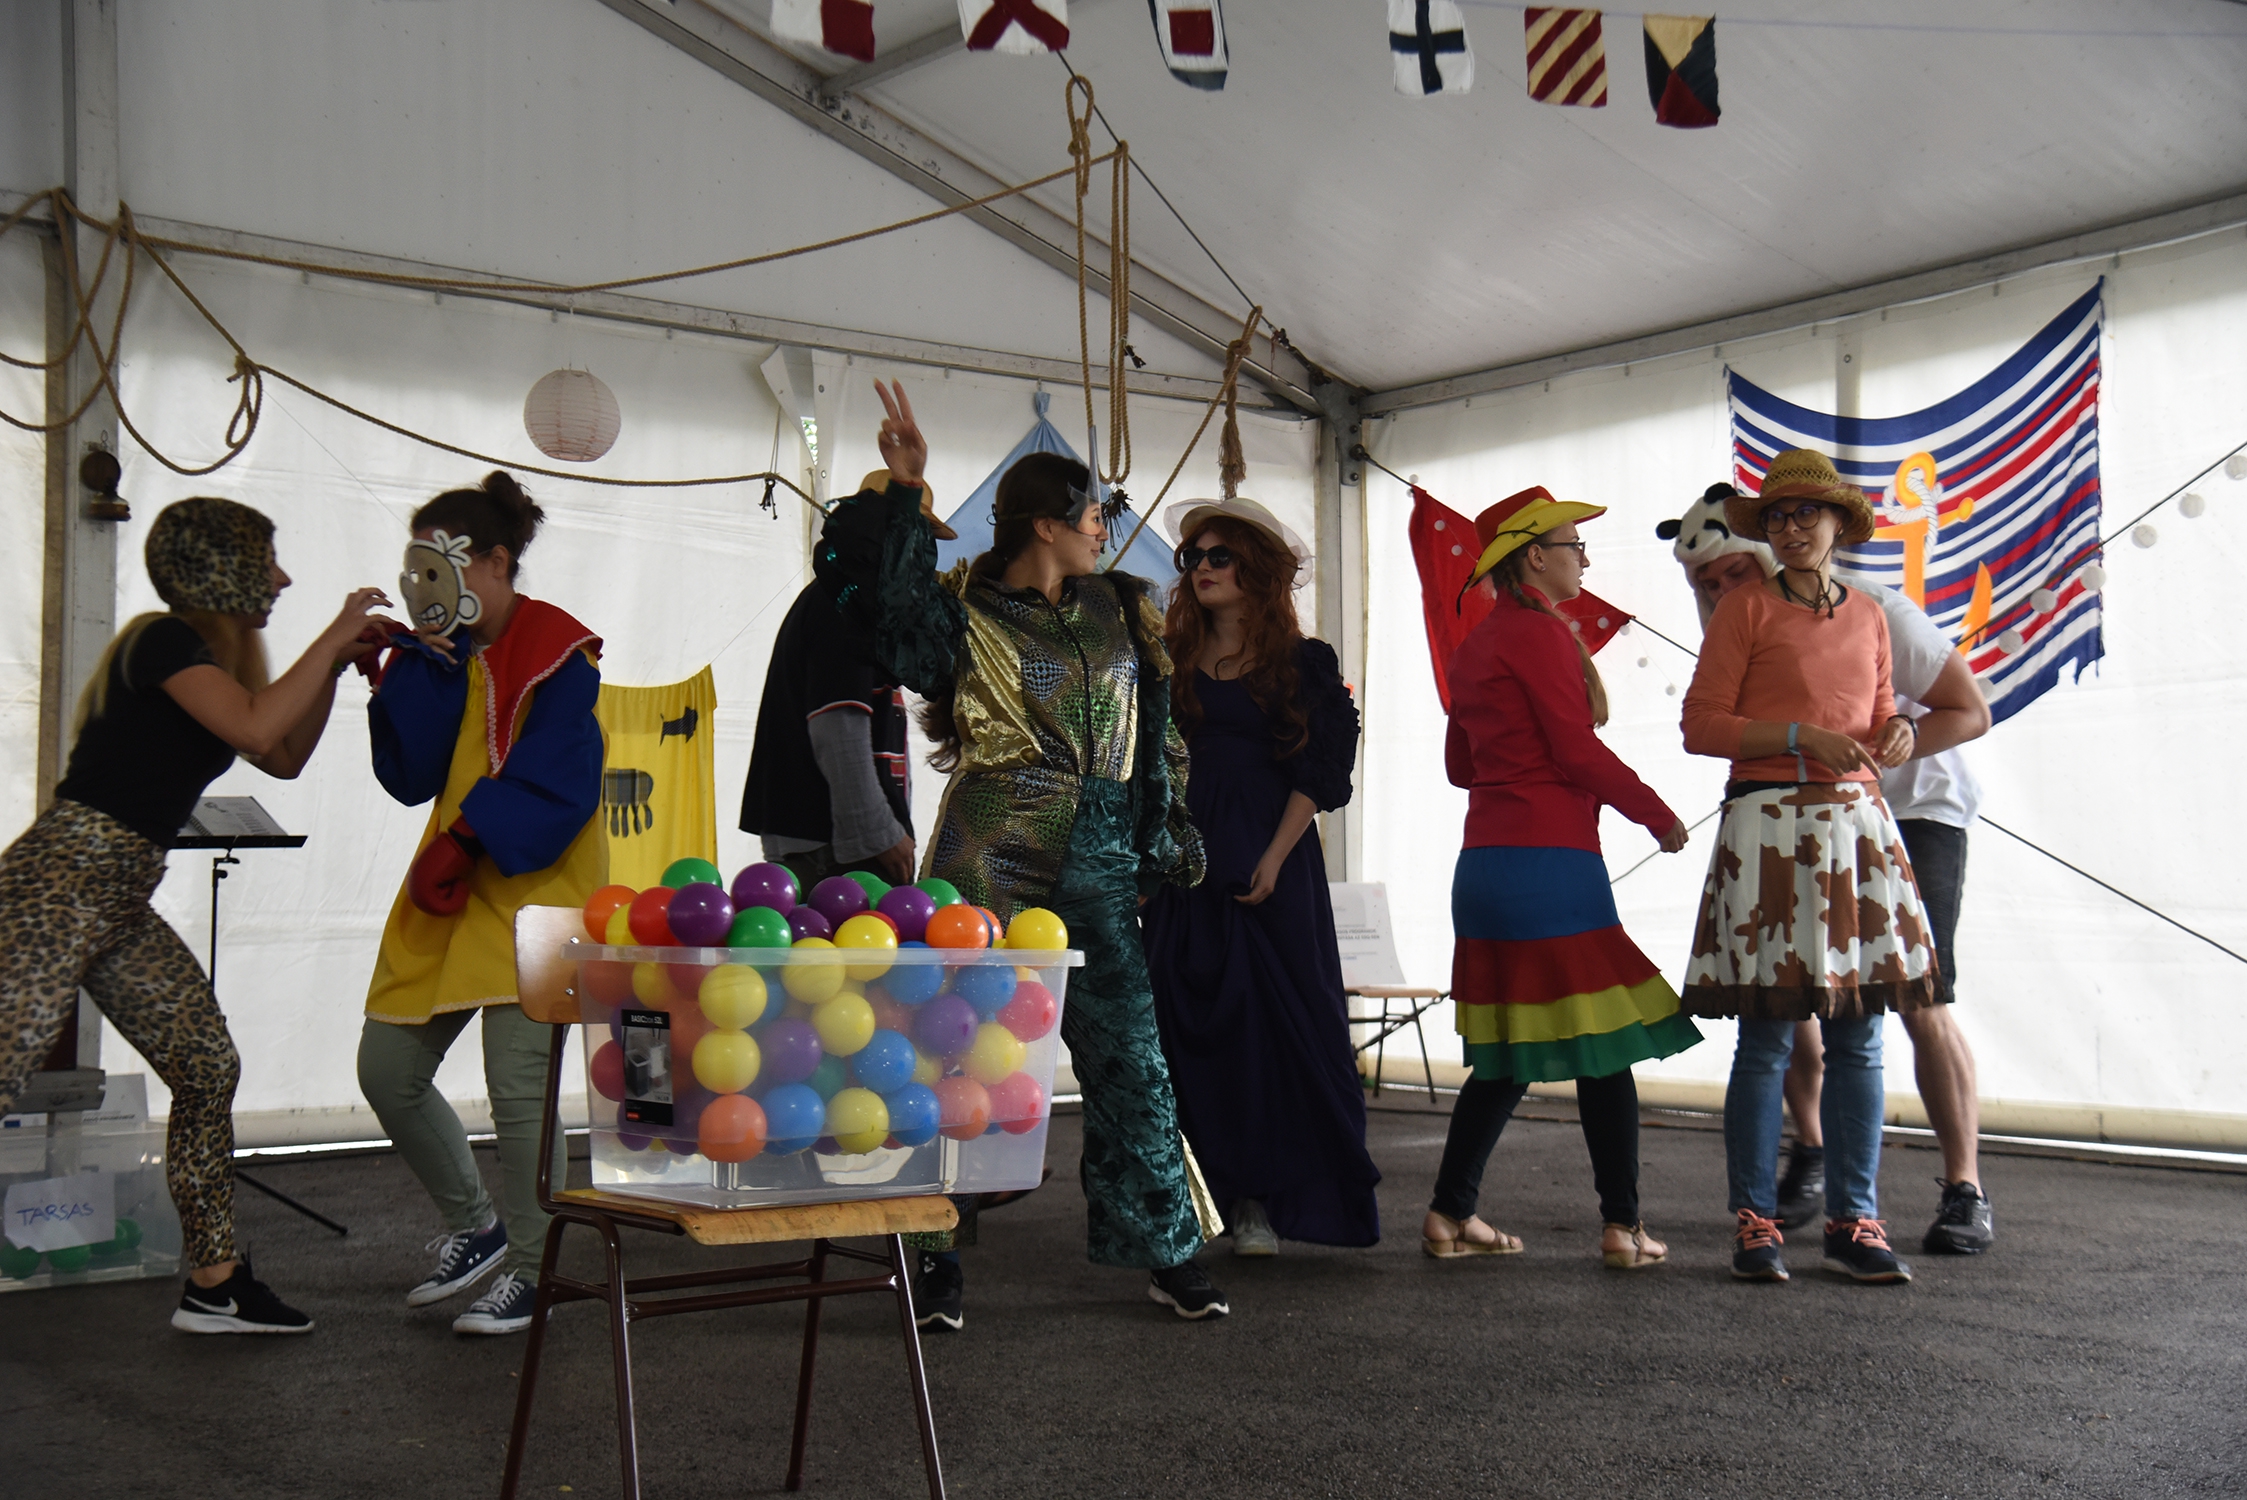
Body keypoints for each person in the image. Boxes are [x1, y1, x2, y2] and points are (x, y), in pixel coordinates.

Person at [862, 382, 1225, 1325]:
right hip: (991, 842)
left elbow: (1160, 733)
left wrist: (1160, 831)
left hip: (1100, 851)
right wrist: (905, 493)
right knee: (945, 1045)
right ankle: (928, 1254)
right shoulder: (965, 610)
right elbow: (895, 632)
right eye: (1092, 513)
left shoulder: (1124, 607)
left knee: (1129, 1053)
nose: (1105, 526)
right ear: (1045, 525)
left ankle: (1167, 1249)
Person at [0, 497, 388, 1334]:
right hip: (59, 884)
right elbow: (254, 724)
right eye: (267, 560)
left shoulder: (214, 663)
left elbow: (281, 752)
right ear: (222, 566)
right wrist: (333, 635)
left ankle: (215, 1285)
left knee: (207, 1065)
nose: (282, 578)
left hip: (117, 893)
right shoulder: (162, 640)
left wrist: (337, 665)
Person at [1664, 482, 1995, 1253]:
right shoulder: (1745, 617)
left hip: (1907, 812)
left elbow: (1965, 709)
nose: (1720, 588)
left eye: (1729, 570)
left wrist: (1892, 741)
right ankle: (1808, 1157)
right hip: (1791, 817)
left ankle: (1961, 1185)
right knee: (1783, 1008)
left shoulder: (1876, 610)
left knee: (1913, 999)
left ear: (1832, 526)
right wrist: (1801, 741)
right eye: (1705, 583)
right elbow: (1706, 723)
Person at [1422, 488, 1700, 1269]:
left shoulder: (1477, 643)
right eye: (1574, 545)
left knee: (1509, 1052)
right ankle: (1622, 1227)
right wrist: (1655, 813)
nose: (1584, 557)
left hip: (1485, 865)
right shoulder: (1538, 635)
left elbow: (1459, 766)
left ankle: (1450, 1213)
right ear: (1535, 556)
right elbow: (1575, 751)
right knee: (1602, 1045)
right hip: (1549, 863)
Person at [356, 472, 606, 1335]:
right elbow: (411, 774)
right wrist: (404, 674)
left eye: (443, 565)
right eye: (417, 569)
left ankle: (538, 1271)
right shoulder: (445, 655)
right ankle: (478, 1228)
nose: (425, 585)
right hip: (454, 892)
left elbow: (563, 777)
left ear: (495, 562)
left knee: (519, 1089)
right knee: (386, 1070)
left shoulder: (559, 652)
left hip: (538, 895)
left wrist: (466, 840)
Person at [1142, 498, 1380, 1256]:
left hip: (1270, 859)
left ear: (1257, 568)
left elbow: (1321, 768)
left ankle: (1260, 1201)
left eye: (1220, 556)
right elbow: (1145, 766)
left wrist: (1275, 856)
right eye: (1193, 557)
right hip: (1185, 862)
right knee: (1184, 1023)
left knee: (1274, 1030)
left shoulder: (1303, 662)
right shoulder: (1167, 657)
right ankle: (1197, 1195)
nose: (1202, 568)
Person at [741, 469, 957, 892]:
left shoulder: (854, 601)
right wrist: (879, 832)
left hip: (830, 842)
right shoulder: (839, 601)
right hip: (831, 847)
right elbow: (837, 724)